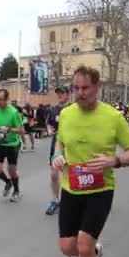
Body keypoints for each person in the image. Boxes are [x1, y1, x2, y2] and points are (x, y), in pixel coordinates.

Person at [52, 66, 129, 257]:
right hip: (71, 188)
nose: (80, 93)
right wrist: (56, 156)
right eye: (76, 88)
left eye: (85, 88)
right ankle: (94, 251)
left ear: (97, 88)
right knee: (67, 248)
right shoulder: (66, 114)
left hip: (100, 190)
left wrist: (115, 160)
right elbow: (60, 143)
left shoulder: (113, 117)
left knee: (83, 246)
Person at [0, 89, 24, 202]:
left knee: (12, 171)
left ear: (6, 100)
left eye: (0, 99)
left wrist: (9, 129)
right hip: (0, 142)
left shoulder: (14, 112)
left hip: (12, 144)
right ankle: (7, 182)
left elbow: (21, 130)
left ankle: (16, 191)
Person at [45, 86, 71, 215]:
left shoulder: (74, 109)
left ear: (68, 94)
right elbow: (49, 123)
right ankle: (55, 200)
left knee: (71, 174)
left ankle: (74, 201)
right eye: (58, 93)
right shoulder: (54, 110)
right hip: (57, 144)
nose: (59, 95)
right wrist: (49, 129)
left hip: (71, 144)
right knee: (54, 174)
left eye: (62, 93)